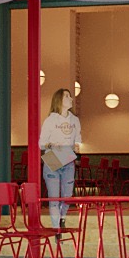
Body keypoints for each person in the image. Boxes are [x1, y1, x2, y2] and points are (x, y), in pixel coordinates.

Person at [40, 87, 81, 230]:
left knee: (67, 195)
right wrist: (52, 144)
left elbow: (77, 141)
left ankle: (62, 218)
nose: (71, 99)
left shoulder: (75, 120)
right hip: (52, 158)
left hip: (68, 158)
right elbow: (41, 143)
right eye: (67, 96)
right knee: (54, 197)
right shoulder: (50, 120)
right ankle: (56, 227)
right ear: (59, 100)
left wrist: (74, 148)